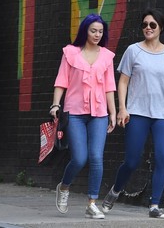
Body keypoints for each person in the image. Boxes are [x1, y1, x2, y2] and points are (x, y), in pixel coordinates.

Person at [101, 9, 164, 219]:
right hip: (137, 112)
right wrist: (122, 108)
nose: (148, 28)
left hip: (162, 115)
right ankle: (115, 190)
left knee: (162, 158)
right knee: (131, 161)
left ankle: (154, 205)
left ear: (160, 28)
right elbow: (123, 81)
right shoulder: (133, 51)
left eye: (152, 25)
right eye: (145, 24)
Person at [50, 13, 116, 219]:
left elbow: (109, 87)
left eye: (100, 31)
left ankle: (92, 203)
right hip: (75, 112)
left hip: (99, 113)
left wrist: (113, 112)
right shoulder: (70, 53)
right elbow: (62, 80)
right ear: (85, 31)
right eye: (93, 30)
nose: (97, 34)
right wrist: (55, 104)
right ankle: (65, 187)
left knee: (96, 157)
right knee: (79, 158)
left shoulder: (106, 56)